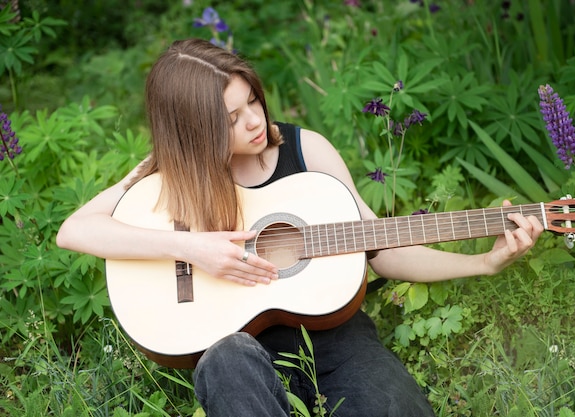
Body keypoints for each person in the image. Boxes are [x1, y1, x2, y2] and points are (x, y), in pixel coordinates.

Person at [56, 38, 543, 416]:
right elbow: (76, 230)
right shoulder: (166, 178)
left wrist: (484, 261)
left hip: (336, 337)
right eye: (231, 118)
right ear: (193, 130)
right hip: (237, 351)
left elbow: (382, 249)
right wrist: (191, 247)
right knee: (226, 364)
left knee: (391, 407)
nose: (253, 120)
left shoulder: (306, 152)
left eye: (252, 101)